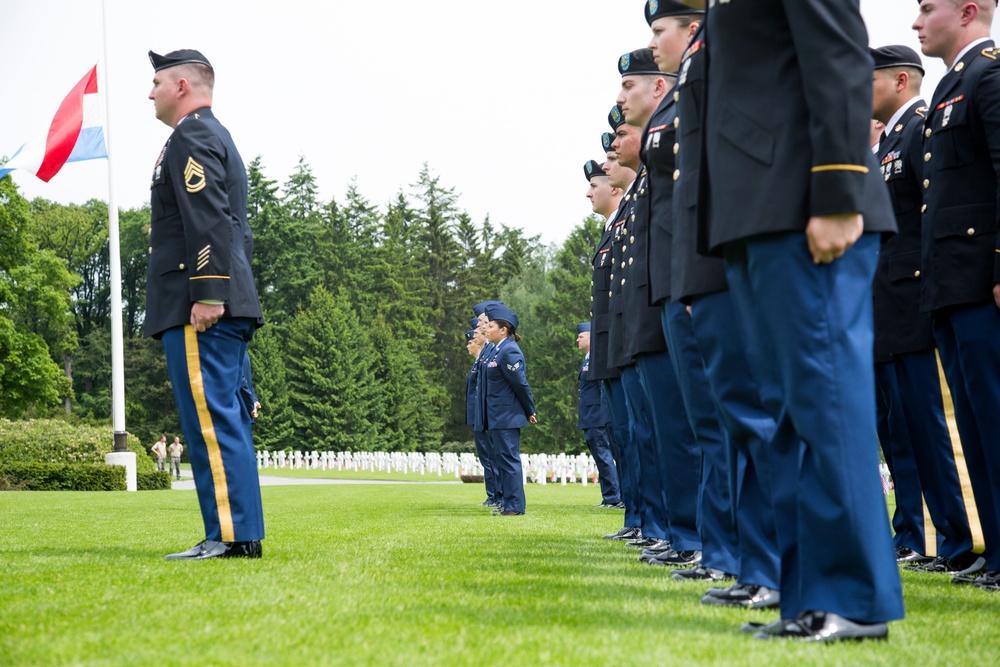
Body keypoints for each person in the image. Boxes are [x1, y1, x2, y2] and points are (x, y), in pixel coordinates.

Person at [688, 0, 904, 640]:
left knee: (824, 401)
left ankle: (856, 599)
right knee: (788, 412)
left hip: (806, 202)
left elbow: (838, 52)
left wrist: (838, 189)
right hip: (760, 209)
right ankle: (812, 596)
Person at [870, 43, 988, 576]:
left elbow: (928, 211)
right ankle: (923, 537)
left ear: (899, 79)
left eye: (868, 77)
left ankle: (955, 541)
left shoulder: (917, 126)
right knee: (903, 430)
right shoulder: (890, 140)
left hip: (917, 297)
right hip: (891, 304)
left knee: (931, 426)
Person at [145, 48, 265, 561]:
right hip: (213, 299)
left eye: (156, 82)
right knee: (220, 420)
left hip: (201, 303)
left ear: (181, 87)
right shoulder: (213, 134)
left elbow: (209, 220)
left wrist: (209, 292)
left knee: (211, 421)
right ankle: (236, 533)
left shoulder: (192, 135)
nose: (148, 92)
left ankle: (230, 536)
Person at [913, 0, 1000, 590]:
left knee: (994, 418)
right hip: (951, 284)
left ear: (968, 11)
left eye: (926, 9)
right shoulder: (953, 84)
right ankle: (995, 555)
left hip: (980, 280)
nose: (916, 23)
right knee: (974, 423)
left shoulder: (989, 77)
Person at [614, 48, 703, 566]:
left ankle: (694, 537)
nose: (622, 98)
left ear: (659, 89)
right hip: (657, 309)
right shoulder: (650, 165)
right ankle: (680, 532)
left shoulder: (679, 122)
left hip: (685, 293)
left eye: (630, 86)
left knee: (691, 430)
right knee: (662, 433)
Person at [482, 303, 537, 516]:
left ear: (503, 330)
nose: (487, 329)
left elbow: (520, 384)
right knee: (502, 460)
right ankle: (509, 503)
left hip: (507, 416)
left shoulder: (509, 350)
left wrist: (529, 410)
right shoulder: (498, 350)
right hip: (497, 416)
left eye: (491, 326)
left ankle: (514, 506)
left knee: (509, 460)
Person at [574, 322, 622, 508]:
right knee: (600, 457)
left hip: (597, 416)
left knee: (604, 456)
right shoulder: (588, 360)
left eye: (581, 336)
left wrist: (603, 415)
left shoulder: (598, 359)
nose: (577, 339)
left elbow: (603, 390)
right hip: (589, 415)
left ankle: (614, 497)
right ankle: (609, 495)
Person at [472, 302, 502, 508]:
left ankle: (501, 496)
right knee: (489, 457)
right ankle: (496, 495)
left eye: (484, 322)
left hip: (496, 413)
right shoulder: (489, 350)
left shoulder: (499, 349)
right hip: (485, 412)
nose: (481, 327)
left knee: (498, 457)